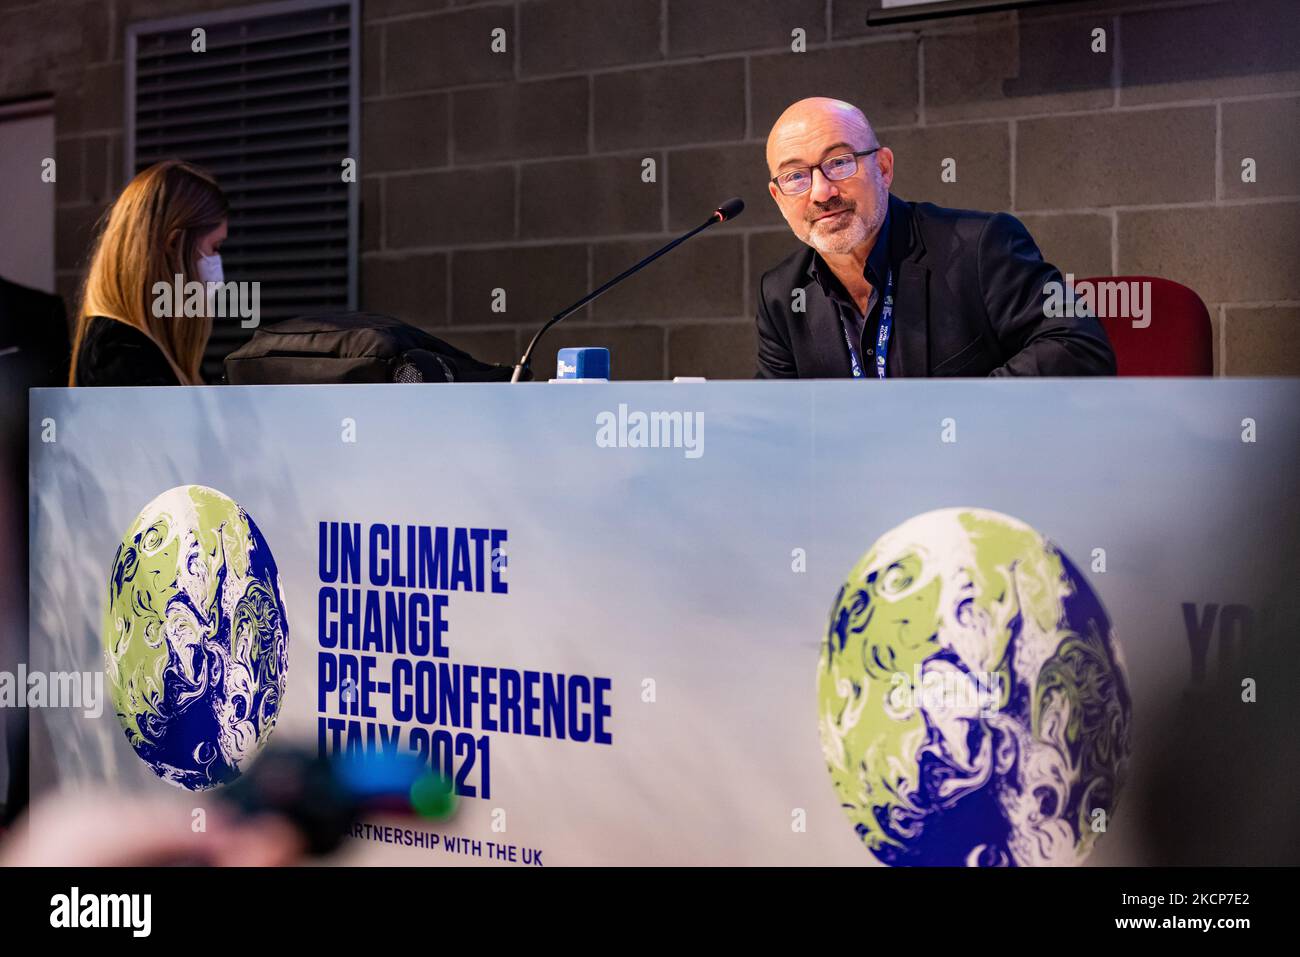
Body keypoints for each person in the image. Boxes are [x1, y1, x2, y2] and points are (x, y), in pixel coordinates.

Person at [756, 97, 1115, 379]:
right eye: (795, 177)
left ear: (883, 168)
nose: (821, 191)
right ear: (778, 197)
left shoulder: (980, 247)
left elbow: (1078, 347)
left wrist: (948, 419)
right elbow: (774, 422)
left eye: (839, 162)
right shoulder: (782, 294)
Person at [68, 160, 228, 386]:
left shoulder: (161, 349)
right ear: (174, 244)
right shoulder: (121, 356)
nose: (217, 263)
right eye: (215, 247)